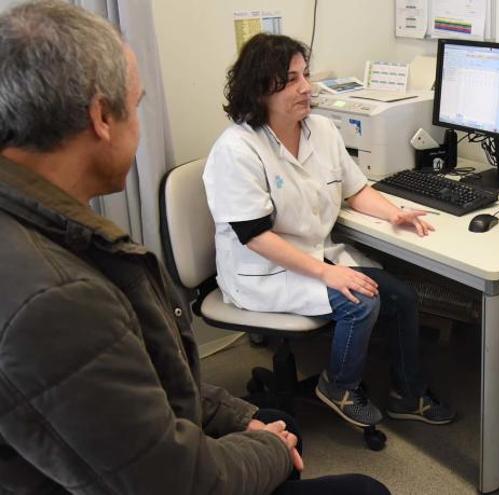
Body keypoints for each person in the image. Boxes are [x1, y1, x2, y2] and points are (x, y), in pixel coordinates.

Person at [0, 2, 388, 494]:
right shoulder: (56, 299)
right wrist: (266, 446)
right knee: (360, 487)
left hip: (161, 433)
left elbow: (150, 389)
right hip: (254, 288)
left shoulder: (47, 233)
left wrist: (241, 419)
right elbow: (171, 479)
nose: (305, 88)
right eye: (137, 105)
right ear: (101, 117)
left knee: (273, 417)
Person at [202, 33, 455, 428]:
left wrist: (394, 213)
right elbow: (254, 236)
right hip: (263, 270)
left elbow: (355, 190)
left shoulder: (320, 129)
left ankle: (408, 393)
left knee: (401, 295)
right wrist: (327, 273)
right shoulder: (237, 149)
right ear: (260, 89)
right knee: (360, 301)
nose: (306, 87)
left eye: (305, 74)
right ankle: (339, 385)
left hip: (314, 256)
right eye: (290, 79)